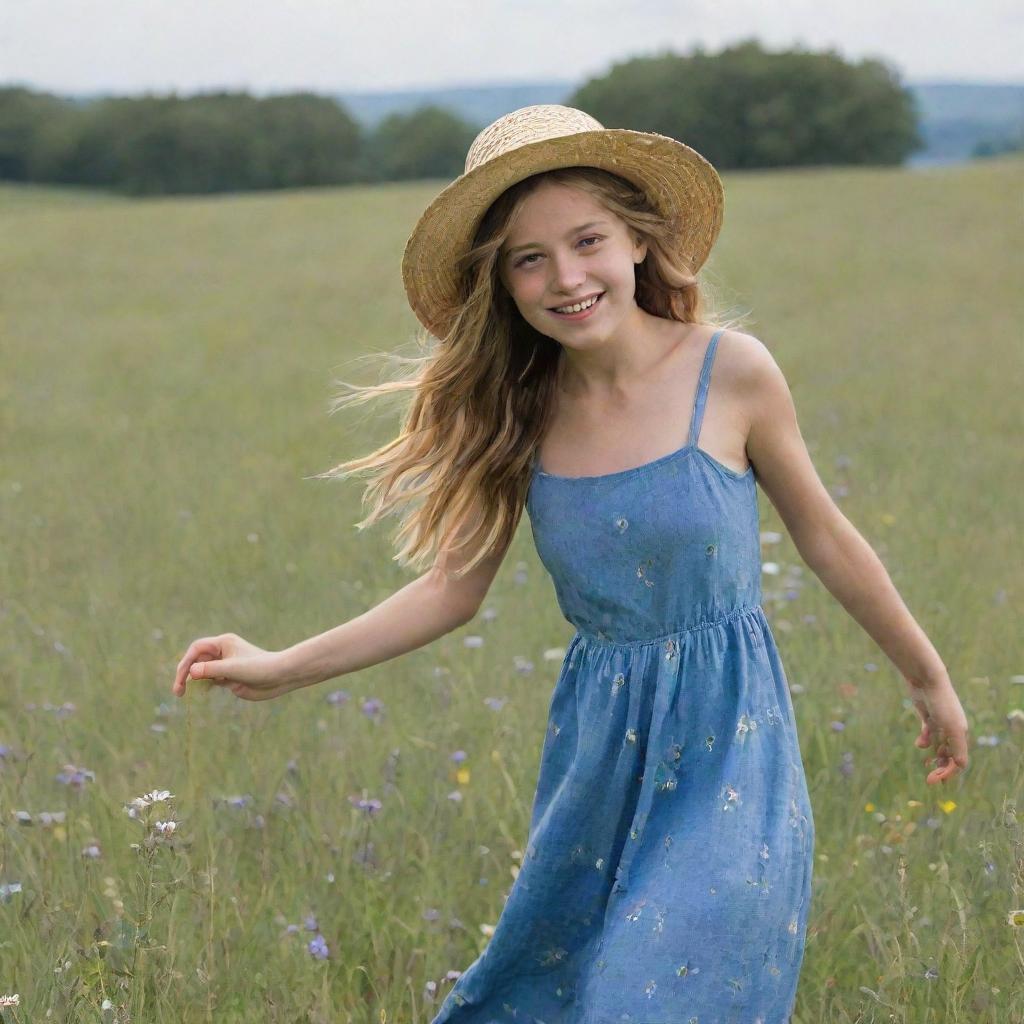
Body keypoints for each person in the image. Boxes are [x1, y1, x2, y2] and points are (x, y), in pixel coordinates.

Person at [171, 105, 970, 1021]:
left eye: (587, 240)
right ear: (502, 284)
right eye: (529, 258)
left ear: (636, 238)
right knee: (554, 991)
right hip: (599, 761)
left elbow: (826, 538)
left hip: (732, 751)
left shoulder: (733, 372)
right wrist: (282, 667)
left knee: (657, 995)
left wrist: (928, 678)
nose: (567, 277)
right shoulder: (516, 413)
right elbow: (450, 591)